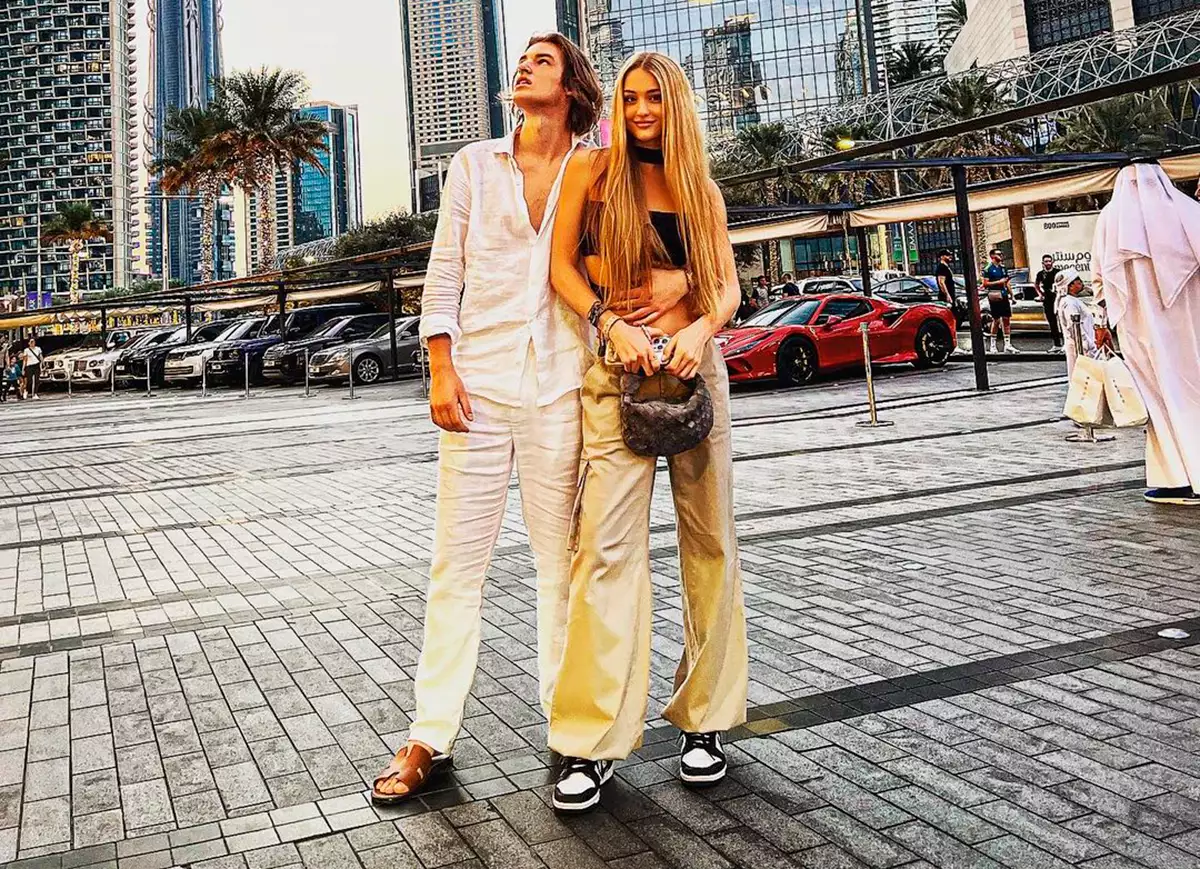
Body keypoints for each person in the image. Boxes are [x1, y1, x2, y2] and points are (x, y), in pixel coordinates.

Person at [369, 34, 614, 804]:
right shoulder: (474, 164)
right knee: (456, 566)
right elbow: (445, 269)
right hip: (476, 382)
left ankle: (569, 727)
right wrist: (441, 365)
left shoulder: (594, 169)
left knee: (558, 564)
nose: (525, 66)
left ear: (571, 88)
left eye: (543, 60)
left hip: (559, 383)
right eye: (523, 59)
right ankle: (429, 733)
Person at [546, 51, 747, 814]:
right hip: (617, 374)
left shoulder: (700, 188)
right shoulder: (593, 172)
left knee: (711, 543)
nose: (639, 110)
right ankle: (591, 740)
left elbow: (726, 287)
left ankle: (706, 720)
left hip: (694, 374)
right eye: (629, 98)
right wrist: (608, 323)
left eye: (653, 98)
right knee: (605, 550)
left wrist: (698, 329)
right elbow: (563, 270)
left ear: (675, 104)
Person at [1093, 163, 1200, 506]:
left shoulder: (1111, 218)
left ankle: (1175, 480)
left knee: (1158, 401)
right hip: (1190, 325)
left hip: (1140, 328)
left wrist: (1101, 323)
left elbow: (1100, 279)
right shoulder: (1187, 211)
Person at [1053, 268, 1096, 378]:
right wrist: (1087, 345)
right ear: (1070, 285)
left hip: (1083, 345)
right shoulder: (1069, 303)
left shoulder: (1072, 300)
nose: (1081, 282)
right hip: (1081, 347)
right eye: (1078, 280)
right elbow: (1074, 326)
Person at [982, 249, 1019, 354]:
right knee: (996, 320)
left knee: (1006, 319)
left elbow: (1007, 283)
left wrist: (1012, 295)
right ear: (992, 256)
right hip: (995, 295)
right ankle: (993, 345)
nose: (1001, 255)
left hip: (1004, 295)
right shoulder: (988, 269)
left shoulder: (1003, 268)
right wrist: (999, 282)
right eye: (998, 254)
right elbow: (985, 284)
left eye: (1001, 254)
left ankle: (1007, 344)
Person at [1035, 254, 1064, 352]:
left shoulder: (1058, 272)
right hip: (1047, 300)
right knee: (1052, 323)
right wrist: (1040, 294)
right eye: (1046, 261)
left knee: (1063, 322)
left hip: (1058, 299)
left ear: (1052, 262)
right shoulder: (1040, 274)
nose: (1048, 263)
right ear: (1043, 263)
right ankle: (1057, 344)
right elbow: (1036, 285)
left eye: (1049, 261)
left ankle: (1066, 344)